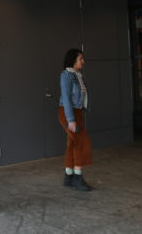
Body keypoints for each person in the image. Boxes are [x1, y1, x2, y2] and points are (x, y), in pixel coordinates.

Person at [58, 48, 92, 192]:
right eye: (81, 59)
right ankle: (78, 178)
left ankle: (69, 176)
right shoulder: (66, 75)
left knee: (72, 144)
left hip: (77, 113)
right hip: (68, 113)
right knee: (81, 144)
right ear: (73, 60)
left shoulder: (78, 75)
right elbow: (66, 98)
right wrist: (71, 119)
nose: (83, 61)